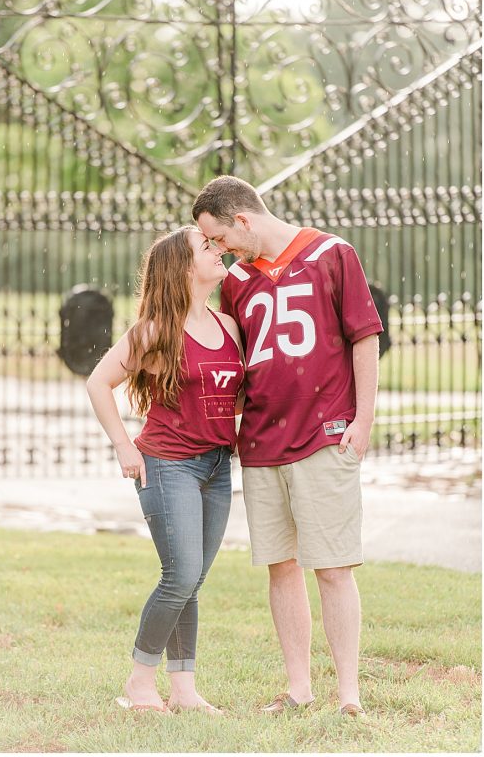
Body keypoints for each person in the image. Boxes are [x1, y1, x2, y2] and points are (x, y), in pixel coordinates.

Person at [192, 175, 382, 717]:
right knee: (281, 565)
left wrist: (362, 420)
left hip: (324, 435)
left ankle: (349, 695)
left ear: (243, 221)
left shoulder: (331, 254)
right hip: (262, 443)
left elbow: (364, 337)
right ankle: (299, 688)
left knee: (334, 566)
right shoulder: (237, 283)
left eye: (220, 238)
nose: (220, 251)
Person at [86, 226, 244, 715]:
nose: (219, 252)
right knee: (180, 575)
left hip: (217, 466)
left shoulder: (228, 326)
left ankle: (184, 690)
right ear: (182, 266)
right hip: (167, 462)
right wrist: (122, 445)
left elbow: (234, 396)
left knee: (191, 581)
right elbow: (98, 382)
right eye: (207, 248)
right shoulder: (155, 330)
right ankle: (139, 684)